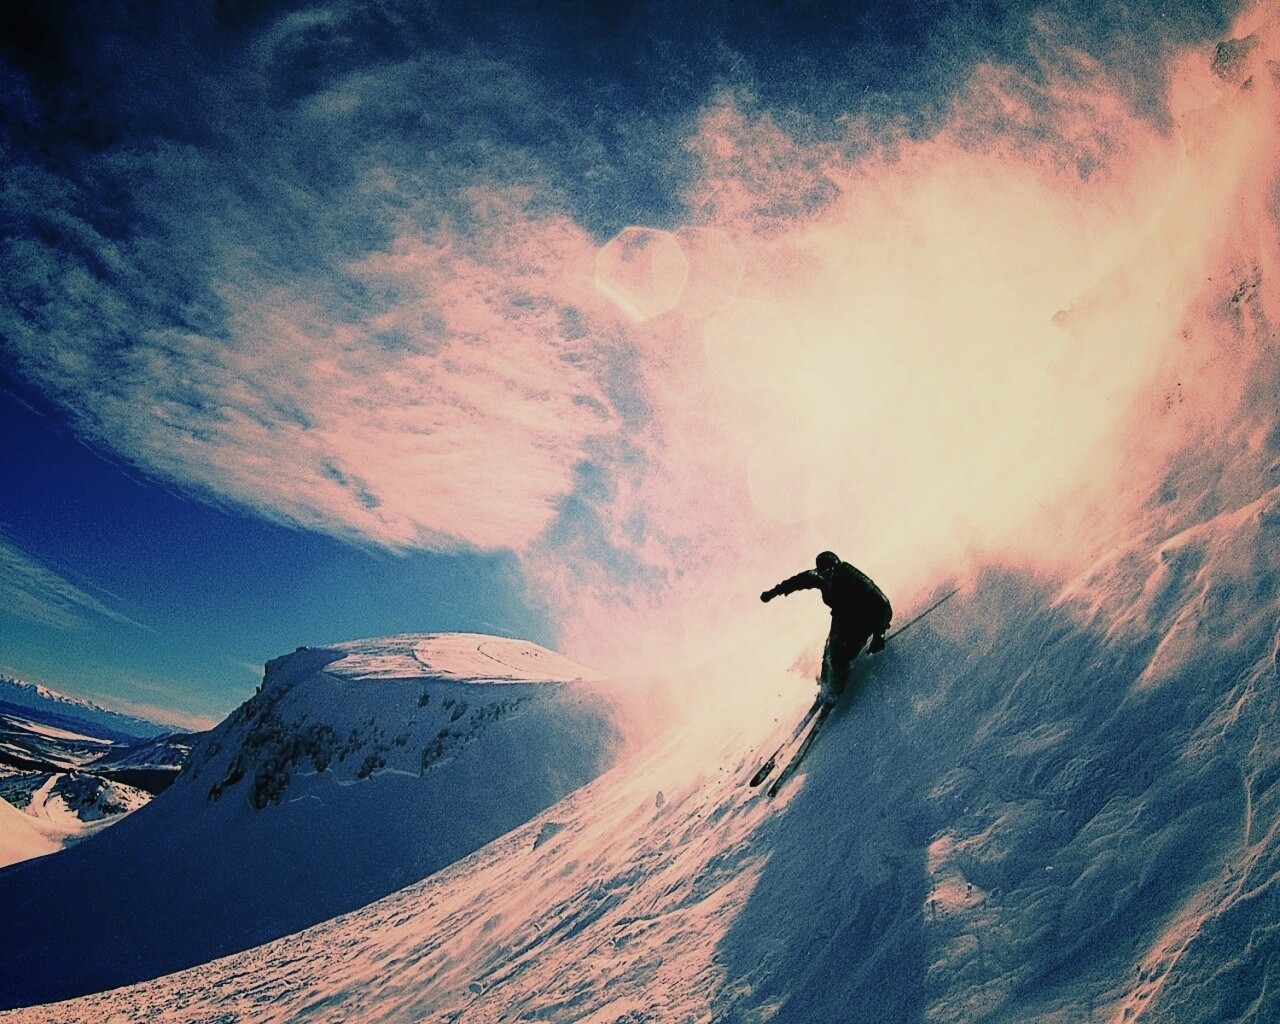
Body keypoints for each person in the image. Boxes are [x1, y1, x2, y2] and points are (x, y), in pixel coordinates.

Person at [761, 551, 892, 705]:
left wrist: (879, 634)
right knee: (829, 651)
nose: (827, 577)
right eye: (823, 573)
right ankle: (826, 687)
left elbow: (883, 604)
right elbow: (796, 581)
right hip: (842, 618)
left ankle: (838, 685)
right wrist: (773, 592)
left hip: (864, 618)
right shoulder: (818, 577)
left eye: (830, 573)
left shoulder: (851, 576)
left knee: (841, 656)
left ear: (836, 568)